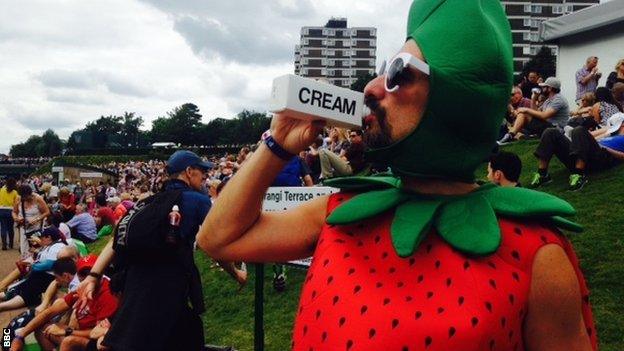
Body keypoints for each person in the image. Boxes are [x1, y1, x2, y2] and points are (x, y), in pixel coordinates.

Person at [197, 1, 596, 350]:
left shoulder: (537, 253)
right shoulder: (341, 210)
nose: (371, 87)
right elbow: (219, 238)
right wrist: (278, 143)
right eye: (382, 70)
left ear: (457, 99)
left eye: (399, 73)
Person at [77, 150, 247, 351]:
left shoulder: (145, 202)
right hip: (169, 288)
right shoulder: (197, 200)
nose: (205, 176)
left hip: (134, 287)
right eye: (202, 171)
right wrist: (235, 273)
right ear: (189, 171)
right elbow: (214, 243)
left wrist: (94, 275)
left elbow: (115, 239)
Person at [10, 255, 119, 351]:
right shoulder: (80, 288)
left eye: (90, 273)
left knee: (68, 341)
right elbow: (49, 311)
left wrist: (67, 330)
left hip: (96, 341)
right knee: (36, 327)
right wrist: (19, 337)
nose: (87, 277)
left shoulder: (107, 293)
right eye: (83, 273)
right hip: (26, 305)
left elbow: (98, 333)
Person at [530, 113, 624, 191]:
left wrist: (606, 149)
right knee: (550, 132)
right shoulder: (609, 133)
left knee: (579, 130)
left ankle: (578, 174)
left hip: (602, 158)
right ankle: (542, 174)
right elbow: (589, 137)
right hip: (583, 153)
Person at [0, 227, 67, 313]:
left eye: (42, 237)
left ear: (49, 238)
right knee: (14, 290)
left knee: (24, 294)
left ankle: (2, 306)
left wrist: (32, 266)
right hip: (41, 276)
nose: (40, 239)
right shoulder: (51, 245)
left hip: (46, 278)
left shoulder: (57, 247)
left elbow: (50, 264)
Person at [498, 77, 570, 144]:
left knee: (524, 113)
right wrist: (533, 99)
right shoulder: (549, 100)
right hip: (548, 126)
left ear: (550, 88)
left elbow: (544, 116)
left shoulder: (558, 99)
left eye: (544, 87)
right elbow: (537, 113)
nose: (541, 88)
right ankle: (510, 135)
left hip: (556, 130)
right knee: (523, 114)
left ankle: (510, 136)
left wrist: (525, 109)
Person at [12, 185, 50, 258]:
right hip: (24, 228)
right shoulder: (18, 198)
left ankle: (35, 266)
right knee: (24, 250)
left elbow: (47, 212)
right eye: (23, 197)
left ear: (30, 194)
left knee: (36, 249)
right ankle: (26, 264)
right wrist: (16, 218)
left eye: (26, 197)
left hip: (36, 229)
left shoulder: (38, 199)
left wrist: (37, 219)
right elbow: (14, 212)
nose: (24, 199)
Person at [0, 178, 18, 250]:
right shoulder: (15, 192)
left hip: (1, 210)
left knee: (3, 227)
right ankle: (11, 244)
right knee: (11, 228)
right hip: (11, 210)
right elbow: (16, 203)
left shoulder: (1, 190)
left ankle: (4, 244)